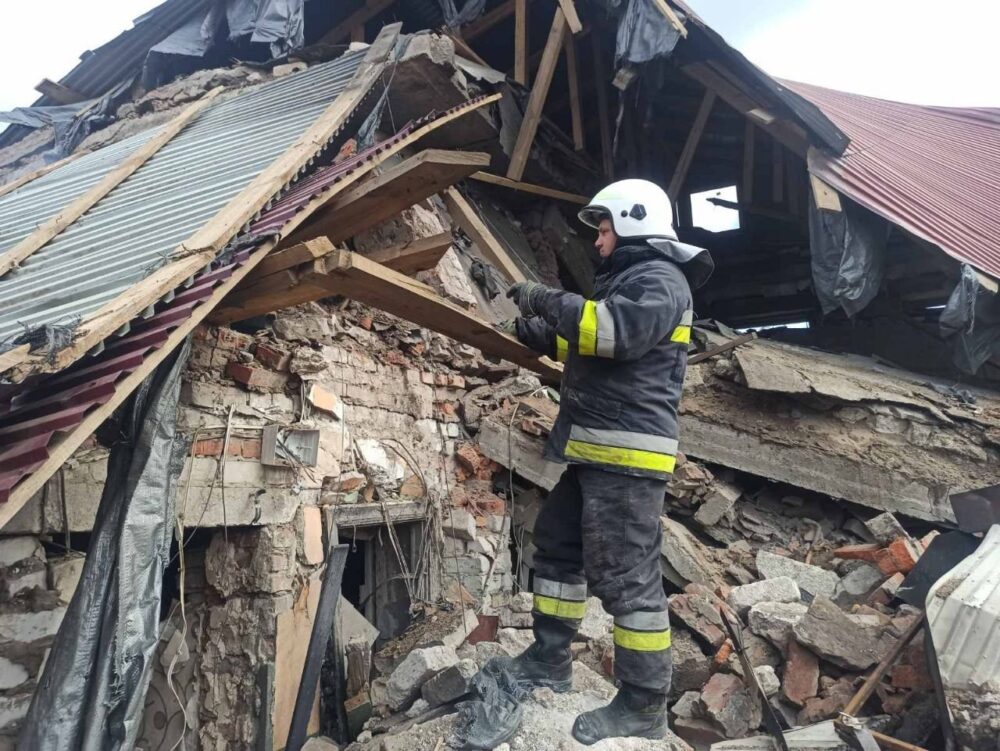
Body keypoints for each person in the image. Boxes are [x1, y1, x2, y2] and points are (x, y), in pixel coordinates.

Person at [503, 179, 713, 744]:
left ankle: (644, 704)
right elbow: (590, 344)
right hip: (597, 451)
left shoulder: (660, 280)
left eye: (603, 229)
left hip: (627, 456)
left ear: (633, 222)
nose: (597, 241)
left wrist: (545, 299)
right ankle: (550, 658)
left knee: (626, 580)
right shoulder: (631, 281)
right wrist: (535, 334)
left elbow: (613, 334)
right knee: (558, 546)